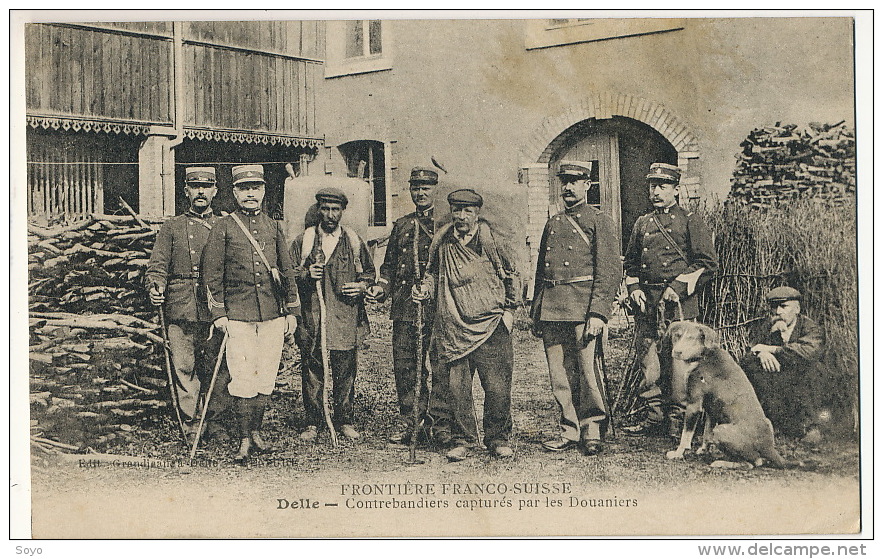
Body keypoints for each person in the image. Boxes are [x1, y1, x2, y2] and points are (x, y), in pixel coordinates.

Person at [413, 188, 521, 461]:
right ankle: (462, 440)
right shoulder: (443, 241)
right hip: (454, 326)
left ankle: (497, 438)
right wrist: (424, 290)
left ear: (477, 213)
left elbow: (512, 275)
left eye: (467, 211)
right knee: (457, 389)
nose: (461, 216)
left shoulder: (491, 239)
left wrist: (509, 311)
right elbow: (432, 275)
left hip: (491, 324)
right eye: (457, 210)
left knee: (497, 387)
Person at [201, 164, 300, 462]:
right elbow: (211, 274)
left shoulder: (273, 226)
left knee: (266, 374)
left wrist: (291, 311)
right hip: (238, 315)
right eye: (244, 189)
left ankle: (256, 430)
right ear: (234, 193)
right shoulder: (224, 227)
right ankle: (244, 437)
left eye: (255, 188)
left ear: (264, 191)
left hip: (271, 314)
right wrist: (219, 313)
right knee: (243, 375)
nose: (250, 194)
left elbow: (287, 271)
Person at [530, 161, 621, 456]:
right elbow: (541, 272)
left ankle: (592, 427)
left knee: (586, 371)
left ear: (587, 185)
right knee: (559, 374)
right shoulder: (553, 223)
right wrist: (536, 311)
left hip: (583, 307)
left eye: (575, 181)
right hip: (554, 307)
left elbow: (608, 271)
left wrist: (599, 312)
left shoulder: (599, 220)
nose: (568, 187)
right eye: (565, 181)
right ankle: (569, 429)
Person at [622, 162, 719, 438]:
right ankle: (654, 417)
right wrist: (634, 289)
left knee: (679, 366)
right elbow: (630, 264)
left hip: (678, 307)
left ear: (676, 190)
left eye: (662, 186)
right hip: (648, 307)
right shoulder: (643, 223)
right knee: (649, 364)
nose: (656, 191)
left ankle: (678, 422)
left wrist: (677, 286)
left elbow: (708, 263)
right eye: (652, 186)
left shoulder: (690, 220)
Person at [367, 167, 453, 446]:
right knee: (406, 368)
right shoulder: (402, 225)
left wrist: (430, 289)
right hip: (405, 309)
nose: (420, 193)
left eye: (426, 188)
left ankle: (441, 426)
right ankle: (412, 422)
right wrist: (381, 287)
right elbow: (389, 266)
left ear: (435, 190)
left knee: (441, 367)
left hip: (439, 309)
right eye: (415, 188)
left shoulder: (445, 225)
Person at [145, 166, 232, 439]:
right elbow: (157, 266)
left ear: (215, 191)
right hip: (181, 307)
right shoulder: (172, 227)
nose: (201, 192)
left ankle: (216, 422)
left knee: (218, 368)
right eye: (195, 187)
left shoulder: (224, 225)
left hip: (214, 306)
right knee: (184, 367)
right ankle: (192, 422)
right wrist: (154, 286)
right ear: (186, 192)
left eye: (206, 187)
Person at [291, 187, 375, 443]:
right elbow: (288, 274)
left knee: (345, 368)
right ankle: (313, 422)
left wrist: (361, 287)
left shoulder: (353, 240)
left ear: (342, 211)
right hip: (313, 315)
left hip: (345, 314)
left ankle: (344, 419)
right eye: (325, 209)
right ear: (318, 210)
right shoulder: (304, 240)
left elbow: (370, 275)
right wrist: (306, 275)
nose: (329, 215)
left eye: (335, 209)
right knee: (313, 367)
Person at [741, 286, 827, 444]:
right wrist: (762, 354)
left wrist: (772, 349)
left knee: (812, 370)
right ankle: (772, 425)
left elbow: (807, 353)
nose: (778, 312)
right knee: (752, 365)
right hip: (780, 384)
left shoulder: (810, 328)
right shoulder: (767, 327)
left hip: (804, 383)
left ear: (797, 309)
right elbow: (753, 348)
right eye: (774, 307)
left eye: (784, 306)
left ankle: (811, 427)